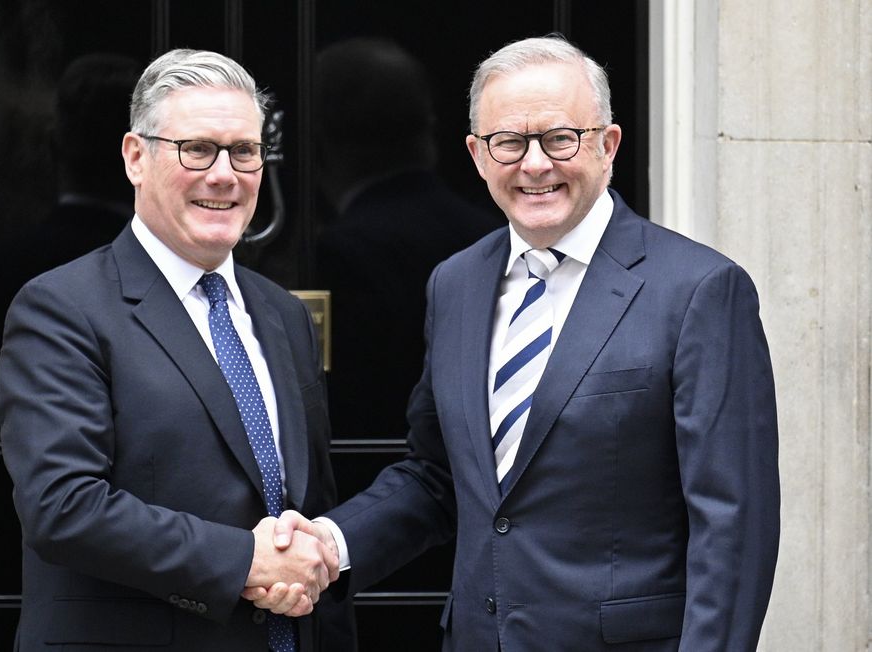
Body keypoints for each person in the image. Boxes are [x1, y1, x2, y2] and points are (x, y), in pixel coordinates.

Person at [255, 34, 780, 650]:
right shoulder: (455, 284)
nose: (535, 165)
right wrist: (330, 544)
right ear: (478, 155)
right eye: (509, 142)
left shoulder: (701, 290)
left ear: (608, 145)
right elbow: (438, 477)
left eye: (560, 138)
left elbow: (733, 525)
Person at [0, 48, 354, 651]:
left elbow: (307, 502)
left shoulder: (283, 315)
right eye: (198, 149)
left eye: (244, 151)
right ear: (136, 157)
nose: (225, 174)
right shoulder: (62, 307)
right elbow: (62, 506)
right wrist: (245, 561)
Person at [313, 37, 501, 437]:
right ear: (430, 128)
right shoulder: (489, 233)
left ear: (320, 139)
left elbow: (349, 406)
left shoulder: (341, 253)